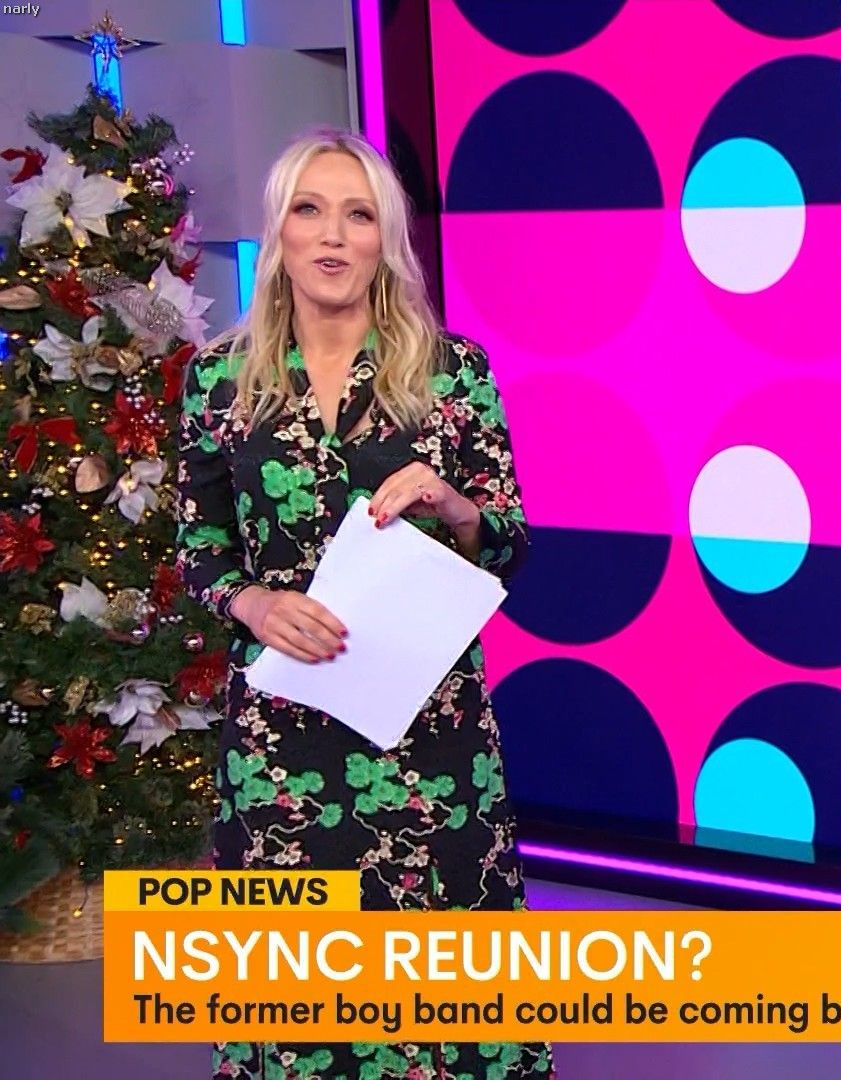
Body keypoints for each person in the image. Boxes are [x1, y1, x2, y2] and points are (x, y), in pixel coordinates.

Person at [174, 128, 553, 1080]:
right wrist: (253, 604)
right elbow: (200, 548)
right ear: (280, 229)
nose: (334, 235)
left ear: (388, 236)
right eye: (310, 210)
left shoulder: (453, 373)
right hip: (282, 734)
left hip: (430, 732)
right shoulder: (216, 381)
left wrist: (454, 504)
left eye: (359, 214)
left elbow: (509, 544)